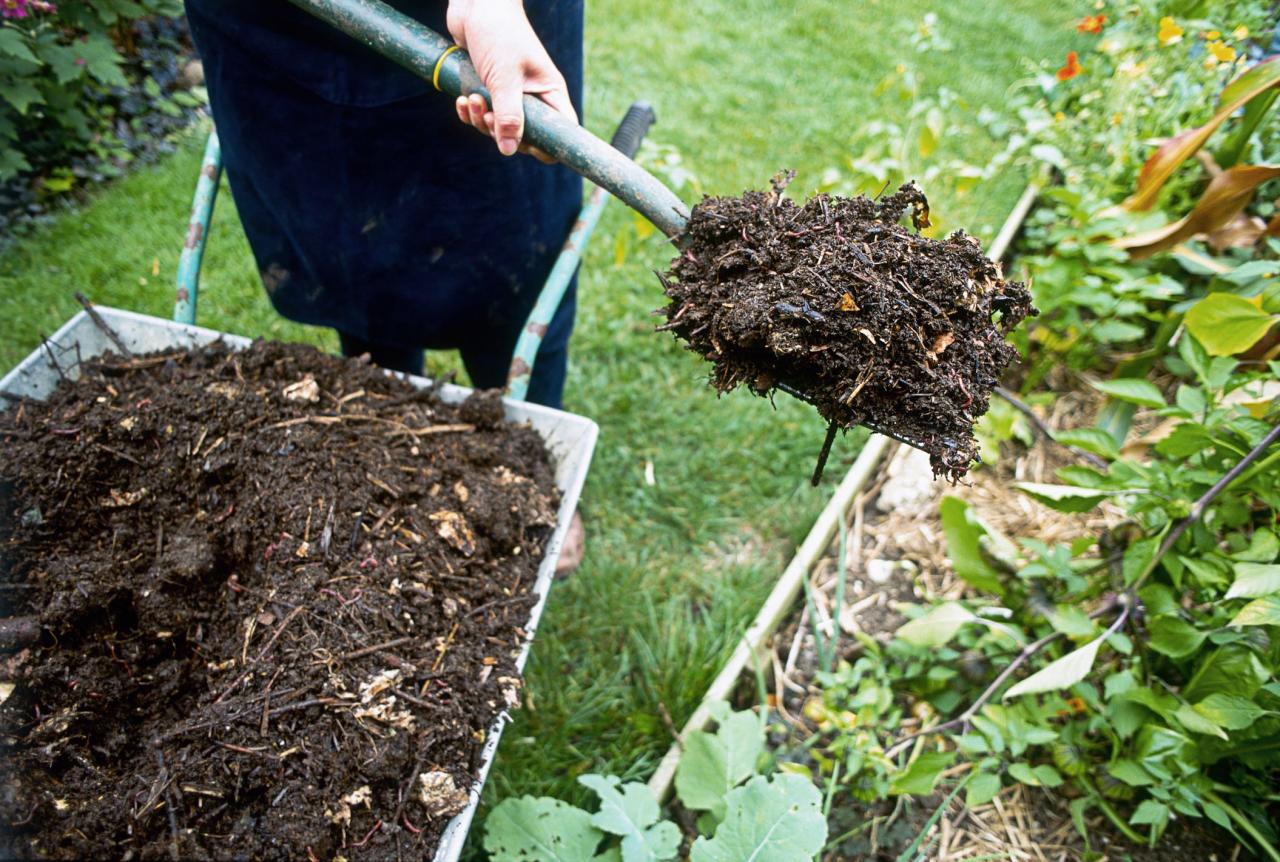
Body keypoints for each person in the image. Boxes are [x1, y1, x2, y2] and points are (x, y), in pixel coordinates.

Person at [184, 0, 586, 571]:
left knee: (515, 258)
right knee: (345, 253)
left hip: (479, 23)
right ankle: (388, 449)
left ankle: (536, 466)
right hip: (281, 33)